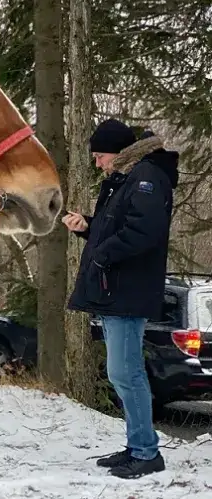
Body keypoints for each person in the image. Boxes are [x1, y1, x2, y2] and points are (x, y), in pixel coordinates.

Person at [66, 118, 179, 479]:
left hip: (128, 292)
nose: (98, 163)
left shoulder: (147, 177)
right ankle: (136, 446)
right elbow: (116, 226)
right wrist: (88, 226)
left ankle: (146, 452)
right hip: (118, 290)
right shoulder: (129, 177)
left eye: (100, 156)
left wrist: (103, 254)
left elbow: (144, 230)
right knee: (123, 374)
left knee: (126, 373)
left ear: (118, 152)